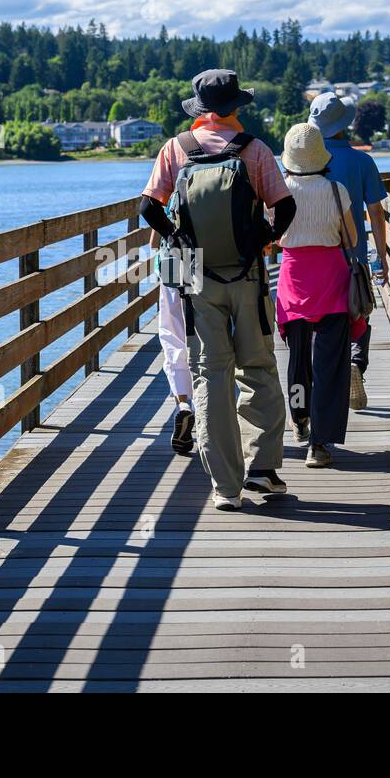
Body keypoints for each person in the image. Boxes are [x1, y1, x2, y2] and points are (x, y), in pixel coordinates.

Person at [140, 69, 297, 511]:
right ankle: (263, 468)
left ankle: (226, 487)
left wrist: (177, 236)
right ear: (236, 107)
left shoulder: (177, 148)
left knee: (211, 374)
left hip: (194, 275)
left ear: (200, 108)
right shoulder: (255, 150)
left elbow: (147, 206)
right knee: (259, 368)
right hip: (246, 274)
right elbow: (286, 206)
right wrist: (262, 240)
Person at [275, 123, 364, 468]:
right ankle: (320, 444)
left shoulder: (279, 190)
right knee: (329, 364)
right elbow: (352, 238)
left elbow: (271, 235)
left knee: (298, 360)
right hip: (331, 280)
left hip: (294, 279)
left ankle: (299, 419)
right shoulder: (336, 190)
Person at [309, 92, 388, 409]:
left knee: (321, 320)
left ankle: (326, 383)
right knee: (360, 311)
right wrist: (381, 257)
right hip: (353, 256)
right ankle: (356, 361)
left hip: (314, 258)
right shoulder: (362, 161)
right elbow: (377, 214)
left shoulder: (306, 162)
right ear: (345, 125)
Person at [150, 226, 194, 455]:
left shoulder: (167, 187)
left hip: (171, 257)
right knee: (203, 332)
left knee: (171, 334)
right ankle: (210, 414)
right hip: (206, 255)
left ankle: (183, 403)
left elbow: (151, 241)